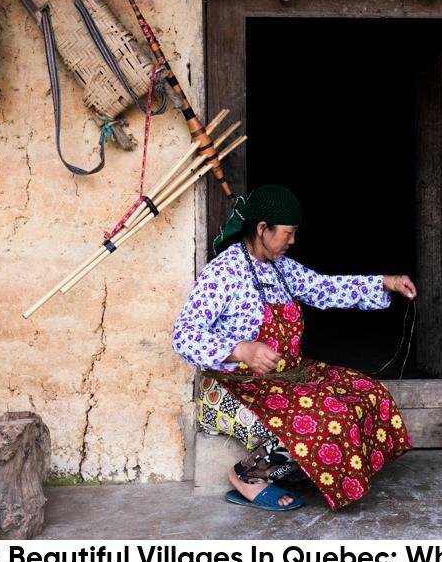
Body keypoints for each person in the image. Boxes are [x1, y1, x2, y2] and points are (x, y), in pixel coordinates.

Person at [172, 184, 418, 511]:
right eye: (287, 233)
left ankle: (306, 469)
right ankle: (249, 475)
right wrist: (240, 350)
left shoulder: (281, 268)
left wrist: (385, 281)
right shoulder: (224, 271)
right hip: (232, 388)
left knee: (366, 392)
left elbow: (324, 288)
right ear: (262, 229)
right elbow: (184, 334)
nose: (292, 241)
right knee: (328, 416)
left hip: (286, 377)